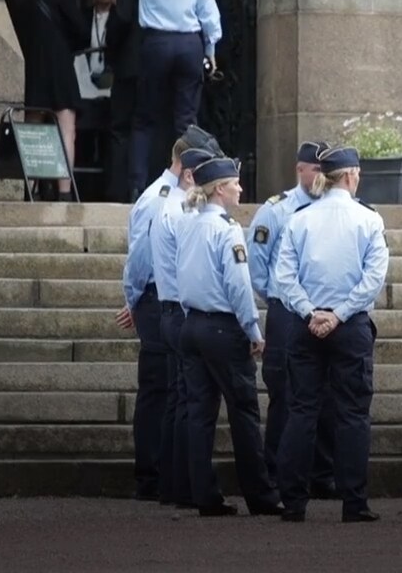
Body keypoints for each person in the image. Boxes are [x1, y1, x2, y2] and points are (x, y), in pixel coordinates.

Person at [273, 146, 388, 523]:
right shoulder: (368, 219)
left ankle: (293, 501)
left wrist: (311, 312)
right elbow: (374, 278)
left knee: (302, 410)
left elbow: (284, 277)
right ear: (352, 175)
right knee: (353, 414)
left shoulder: (300, 219)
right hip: (350, 324)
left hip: (306, 324)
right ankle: (353, 501)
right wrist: (338, 315)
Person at [175, 156, 285, 517]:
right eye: (235, 182)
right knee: (244, 412)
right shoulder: (227, 229)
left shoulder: (187, 223)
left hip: (191, 325)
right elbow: (238, 286)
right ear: (220, 188)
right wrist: (253, 329)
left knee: (199, 415)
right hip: (223, 328)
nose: (240, 187)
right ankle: (261, 496)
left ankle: (203, 494)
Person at [116, 124, 220, 504]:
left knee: (166, 389)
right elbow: (141, 258)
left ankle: (160, 473)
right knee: (160, 389)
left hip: (159, 297)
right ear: (186, 165)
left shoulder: (168, 195)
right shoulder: (162, 198)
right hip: (157, 297)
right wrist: (134, 298)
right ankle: (151, 475)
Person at [246, 141, 339, 499]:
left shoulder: (336, 210)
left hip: (327, 309)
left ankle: (322, 473)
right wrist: (280, 302)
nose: (319, 176)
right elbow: (258, 266)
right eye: (314, 169)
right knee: (285, 394)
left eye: (324, 170)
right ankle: (276, 471)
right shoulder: (277, 211)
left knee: (328, 393)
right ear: (299, 169)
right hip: (287, 311)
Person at [113, 0, 222, 196]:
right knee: (186, 119)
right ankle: (194, 182)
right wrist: (210, 48)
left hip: (157, 43)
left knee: (145, 117)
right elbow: (207, 10)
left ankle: (137, 186)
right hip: (189, 43)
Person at [150, 128, 225, 507]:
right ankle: (182, 486)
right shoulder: (181, 210)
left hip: (170, 310)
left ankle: (174, 485)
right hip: (181, 311)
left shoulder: (170, 204)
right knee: (187, 403)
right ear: (192, 174)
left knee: (179, 402)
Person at [11, 0, 89, 201]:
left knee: (32, 129)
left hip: (31, 64)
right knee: (66, 128)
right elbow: (81, 31)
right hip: (58, 65)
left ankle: (30, 190)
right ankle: (64, 192)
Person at [108, 0, 144, 203]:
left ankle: (125, 189)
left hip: (131, 62)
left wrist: (110, 52)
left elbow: (121, 18)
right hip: (156, 63)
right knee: (148, 125)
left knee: (122, 128)